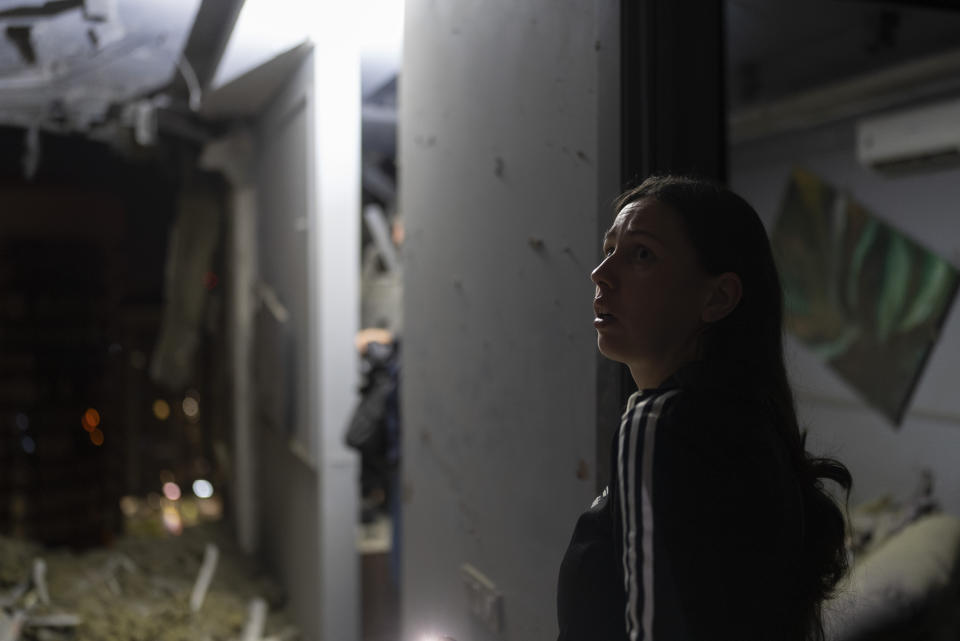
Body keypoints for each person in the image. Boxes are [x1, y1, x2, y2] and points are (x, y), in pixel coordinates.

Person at [556, 175, 852, 641]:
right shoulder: (753, 427)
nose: (601, 272)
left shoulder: (656, 424)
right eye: (609, 248)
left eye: (641, 255)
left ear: (717, 297)